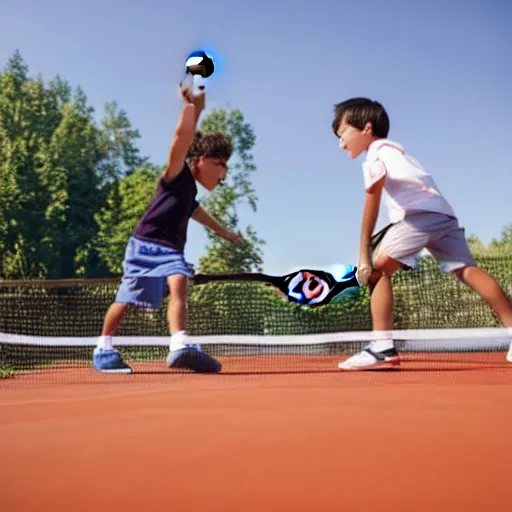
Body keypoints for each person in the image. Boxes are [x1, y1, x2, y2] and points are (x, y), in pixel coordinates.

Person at [331, 97, 512, 370]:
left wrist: (364, 255)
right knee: (466, 270)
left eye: (343, 132)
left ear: (366, 129)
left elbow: (372, 201)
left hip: (419, 218)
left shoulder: (376, 154)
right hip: (443, 216)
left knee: (378, 271)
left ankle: (381, 347)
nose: (340, 141)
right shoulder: (400, 154)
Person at [93, 83, 244, 374]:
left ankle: (178, 344)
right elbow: (182, 137)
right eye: (220, 163)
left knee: (179, 279)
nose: (223, 172)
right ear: (200, 161)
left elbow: (201, 215)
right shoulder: (175, 175)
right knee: (126, 299)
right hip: (144, 245)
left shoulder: (189, 194)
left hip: (170, 251)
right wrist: (192, 109)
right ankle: (103, 347)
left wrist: (227, 234)